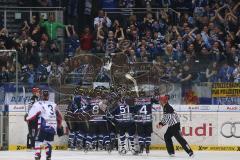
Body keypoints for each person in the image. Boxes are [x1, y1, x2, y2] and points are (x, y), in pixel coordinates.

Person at [26, 90, 63, 160]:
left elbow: (32, 115)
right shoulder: (54, 104)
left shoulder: (38, 103)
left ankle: (37, 155)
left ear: (41, 96)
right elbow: (60, 117)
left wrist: (27, 118)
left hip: (43, 126)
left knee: (37, 141)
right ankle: (48, 156)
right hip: (53, 126)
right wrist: (59, 126)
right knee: (48, 142)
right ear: (48, 96)